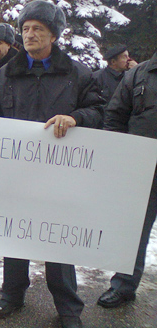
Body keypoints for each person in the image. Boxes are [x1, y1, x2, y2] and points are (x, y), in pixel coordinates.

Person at [0, 0, 104, 328]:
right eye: (26, 28)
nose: (30, 34)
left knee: (58, 239)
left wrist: (75, 117)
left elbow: (99, 111)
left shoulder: (76, 73)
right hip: (17, 171)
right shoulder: (6, 73)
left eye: (38, 29)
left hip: (60, 173)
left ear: (54, 35)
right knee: (15, 233)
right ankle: (13, 293)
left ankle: (68, 308)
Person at [97, 50, 157, 309]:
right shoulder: (138, 74)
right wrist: (118, 156)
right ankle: (124, 286)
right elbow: (115, 115)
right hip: (143, 167)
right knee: (134, 230)